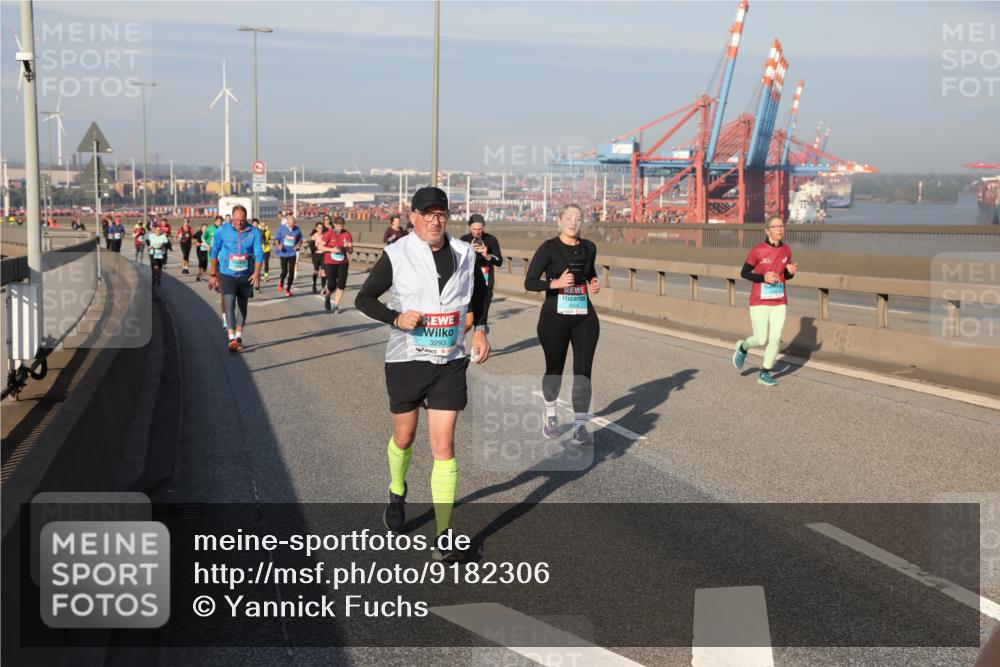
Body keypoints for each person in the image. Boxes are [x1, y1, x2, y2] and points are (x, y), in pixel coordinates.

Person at [355, 186, 491, 562]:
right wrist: (396, 318)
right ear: (413, 216)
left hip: (449, 361)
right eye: (427, 214)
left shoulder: (464, 253)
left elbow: (480, 295)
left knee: (443, 446)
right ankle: (397, 490)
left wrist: (480, 328)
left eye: (441, 214)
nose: (435, 220)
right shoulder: (397, 254)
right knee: (405, 436)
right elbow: (364, 298)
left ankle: (444, 533)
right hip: (406, 359)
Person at [524, 203, 601, 446]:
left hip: (584, 316)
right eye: (569, 217)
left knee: (583, 372)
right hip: (554, 318)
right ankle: (549, 415)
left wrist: (594, 281)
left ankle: (580, 427)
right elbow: (530, 282)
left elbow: (589, 273)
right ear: (560, 221)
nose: (573, 222)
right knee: (555, 369)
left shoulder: (590, 247)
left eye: (578, 218)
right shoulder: (548, 248)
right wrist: (554, 284)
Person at [731, 214, 797, 386]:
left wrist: (790, 272)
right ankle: (743, 347)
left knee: (775, 338)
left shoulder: (787, 250)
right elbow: (744, 273)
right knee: (761, 340)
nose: (780, 229)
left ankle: (765, 373)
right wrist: (763, 277)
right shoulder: (757, 250)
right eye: (775, 227)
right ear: (767, 230)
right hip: (759, 300)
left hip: (779, 301)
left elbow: (785, 276)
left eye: (781, 226)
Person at [208, 205, 264, 352]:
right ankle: (231, 338)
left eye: (242, 220)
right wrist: (213, 273)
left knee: (243, 305)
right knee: (230, 301)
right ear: (232, 217)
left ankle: (239, 336)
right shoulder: (223, 230)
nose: (239, 223)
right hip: (227, 273)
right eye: (236, 220)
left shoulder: (254, 231)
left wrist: (257, 272)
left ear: (246, 219)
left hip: (246, 274)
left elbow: (259, 253)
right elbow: (214, 251)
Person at [459, 213, 503, 332]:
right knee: (468, 320)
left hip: (485, 283)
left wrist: (487, 255)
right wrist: (470, 251)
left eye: (480, 229)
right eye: (474, 229)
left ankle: (477, 345)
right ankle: (456, 341)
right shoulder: (463, 240)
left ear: (483, 228)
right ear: (469, 227)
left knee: (482, 320)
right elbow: (457, 262)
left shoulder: (491, 240)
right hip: (467, 285)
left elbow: (500, 261)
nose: (477, 232)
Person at [318, 215, 353, 313]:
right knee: (332, 285)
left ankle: (336, 305)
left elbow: (351, 250)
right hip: (330, 262)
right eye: (338, 226)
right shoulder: (329, 233)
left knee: (341, 284)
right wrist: (331, 249)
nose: (340, 228)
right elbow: (320, 247)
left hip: (343, 262)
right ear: (334, 225)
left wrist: (348, 247)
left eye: (342, 226)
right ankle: (328, 296)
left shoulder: (347, 234)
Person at [203, 216, 227, 326]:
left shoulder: (227, 231)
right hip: (215, 259)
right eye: (218, 222)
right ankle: (225, 319)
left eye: (221, 222)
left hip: (230, 267)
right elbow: (204, 237)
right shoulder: (211, 230)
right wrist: (207, 245)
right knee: (224, 295)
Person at [274, 214, 303, 296]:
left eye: (293, 224)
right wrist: (278, 245)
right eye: (290, 223)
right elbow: (276, 239)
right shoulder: (282, 228)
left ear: (295, 223)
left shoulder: (297, 230)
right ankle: (281, 282)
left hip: (292, 253)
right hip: (283, 252)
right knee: (284, 271)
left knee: (291, 272)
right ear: (287, 222)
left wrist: (298, 245)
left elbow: (300, 239)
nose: (291, 225)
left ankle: (288, 290)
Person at [308, 221, 327, 294]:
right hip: (315, 255)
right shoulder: (314, 236)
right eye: (319, 227)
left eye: (321, 227)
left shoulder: (325, 235)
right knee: (316, 271)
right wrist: (318, 247)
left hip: (323, 255)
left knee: (323, 272)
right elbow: (311, 247)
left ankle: (323, 287)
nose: (320, 229)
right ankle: (314, 284)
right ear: (316, 228)